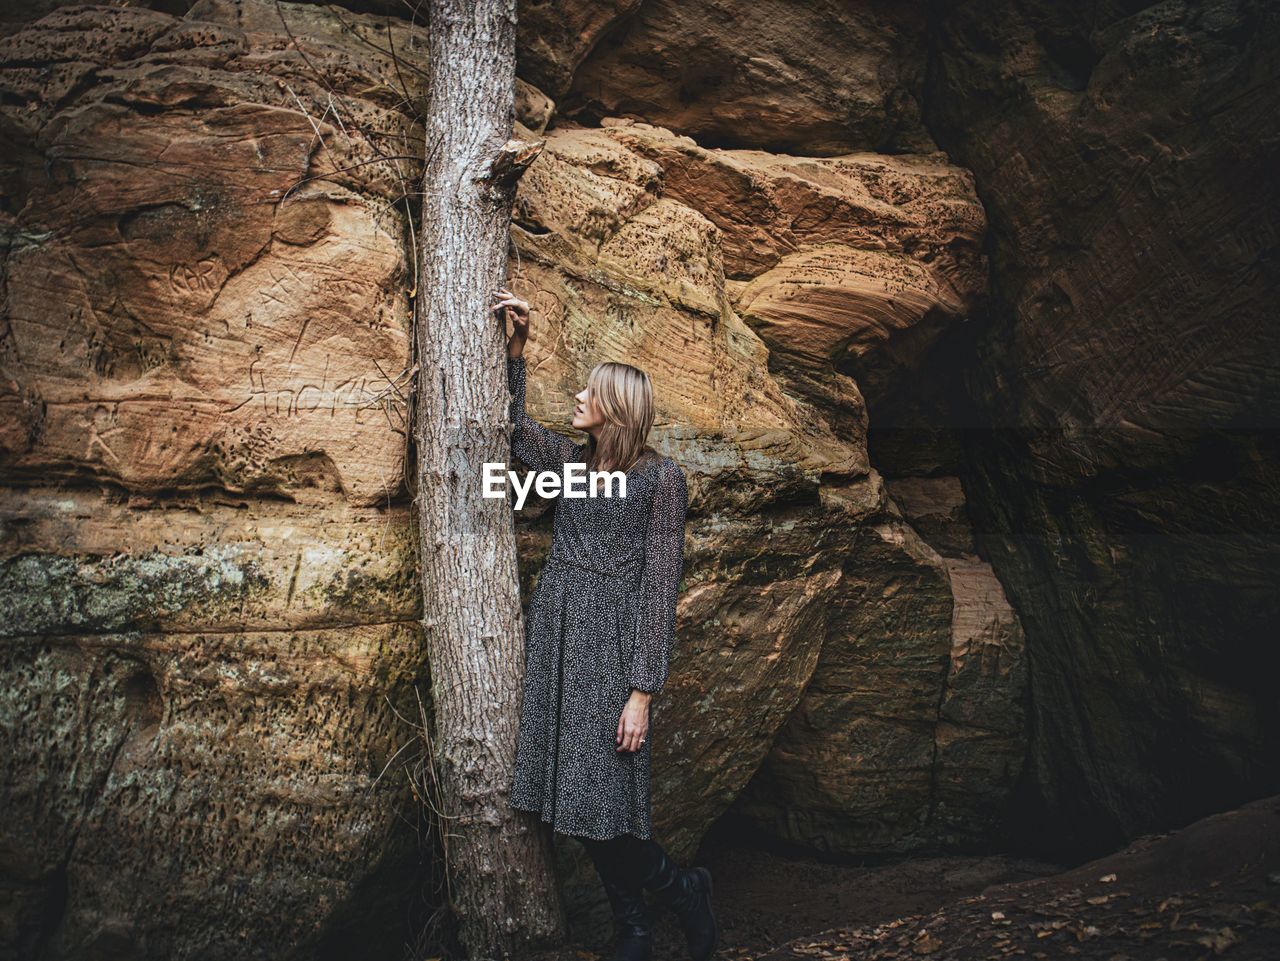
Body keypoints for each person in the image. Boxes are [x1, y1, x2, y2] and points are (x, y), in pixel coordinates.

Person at [492, 286, 718, 961]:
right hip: (563, 641)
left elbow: (659, 586)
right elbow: (511, 427)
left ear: (615, 407)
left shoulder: (660, 479)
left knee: (604, 800)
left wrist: (642, 691)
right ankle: (635, 927)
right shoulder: (572, 465)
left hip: (615, 653)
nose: (579, 399)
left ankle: (680, 888)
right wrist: (516, 350)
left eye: (590, 393)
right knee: (573, 796)